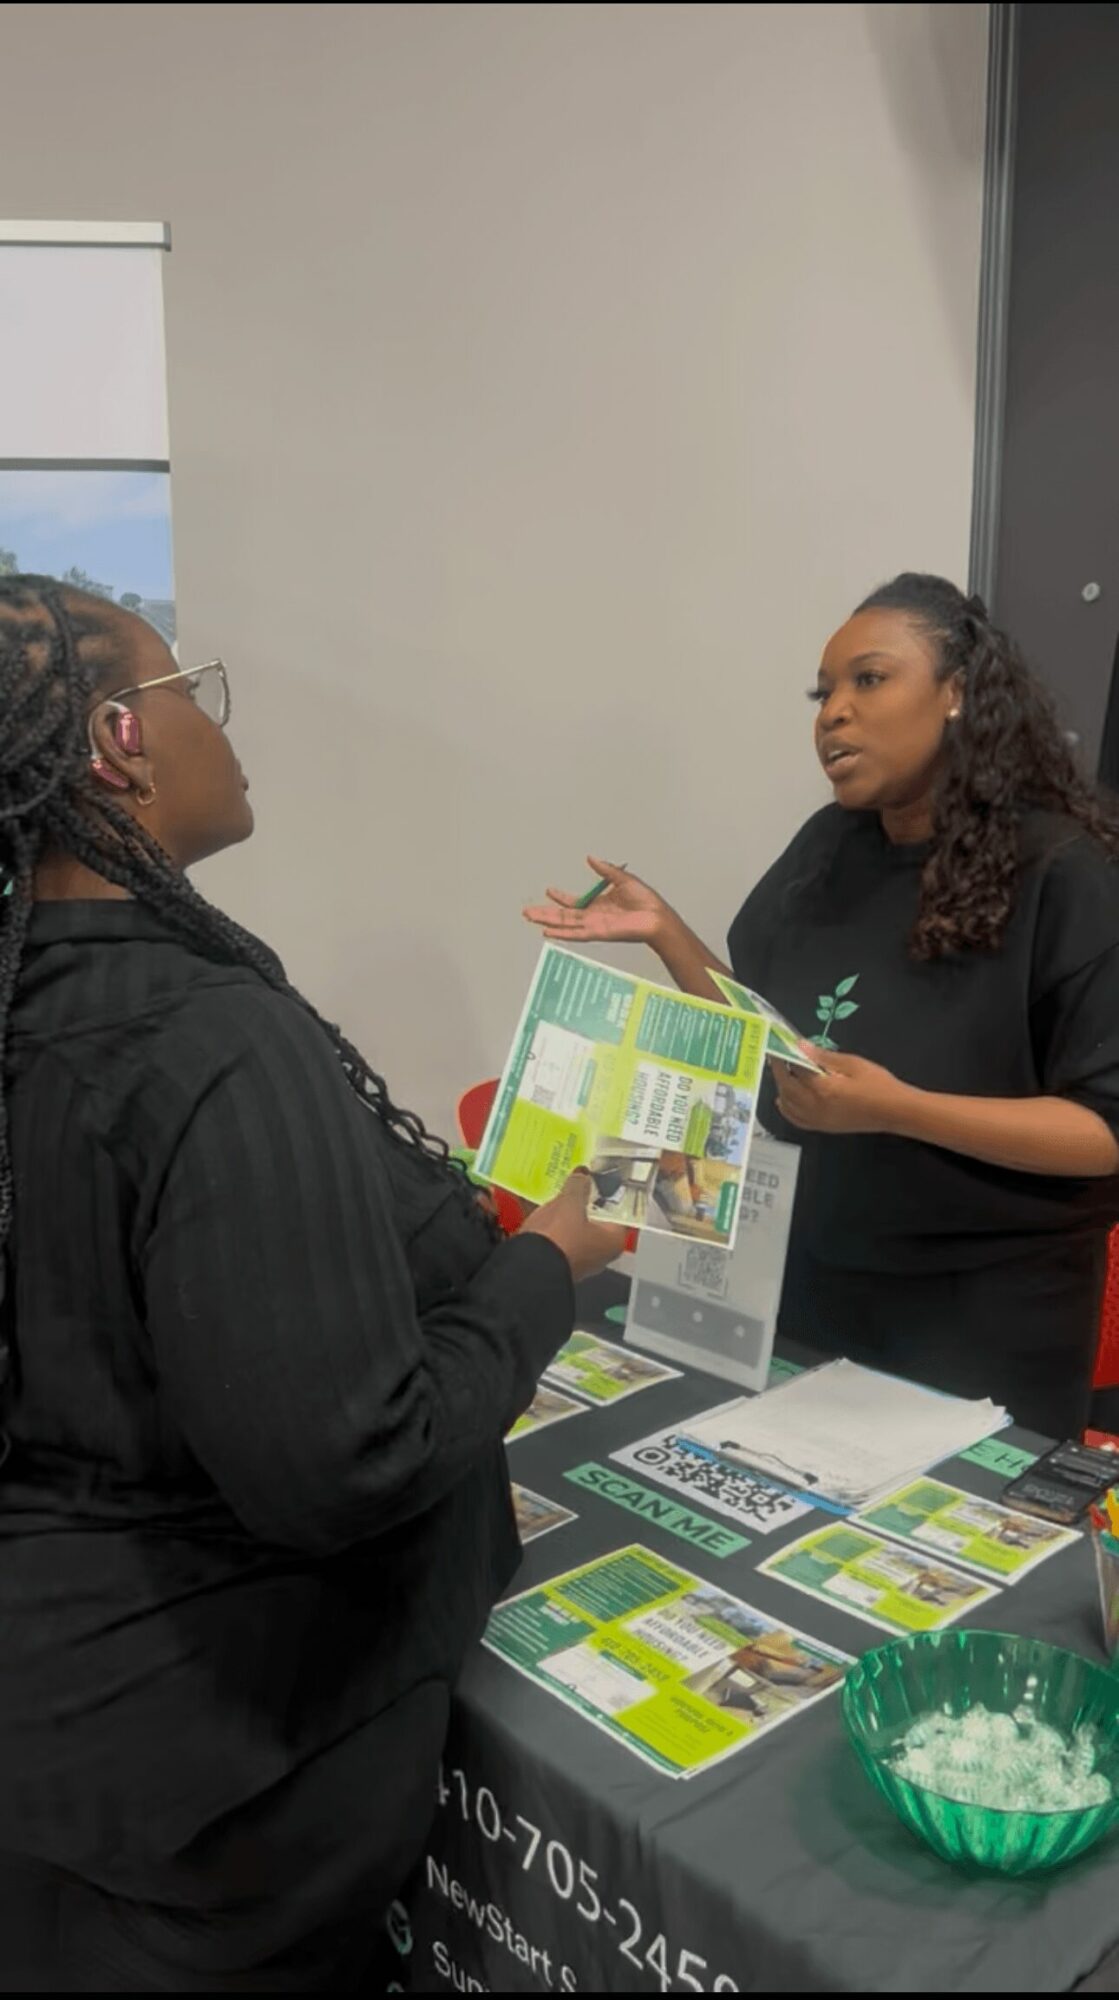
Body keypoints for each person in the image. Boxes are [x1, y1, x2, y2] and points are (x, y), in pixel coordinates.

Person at [0, 574, 626, 1993]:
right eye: (189, 689)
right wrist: (549, 1261)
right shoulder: (208, 1036)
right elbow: (346, 1456)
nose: (221, 724)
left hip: (59, 1753)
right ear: (118, 739)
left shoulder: (35, 1001)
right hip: (223, 1799)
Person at [526, 573, 1119, 1438]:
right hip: (809, 1284)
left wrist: (895, 1110)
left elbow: (1103, 1130)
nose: (831, 713)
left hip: (984, 1320)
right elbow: (771, 1045)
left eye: (867, 680)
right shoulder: (826, 848)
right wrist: (669, 935)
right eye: (822, 692)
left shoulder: (1064, 873)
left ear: (957, 693)